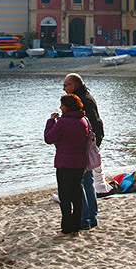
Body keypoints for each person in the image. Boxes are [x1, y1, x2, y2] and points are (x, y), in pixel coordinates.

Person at [44, 93, 91, 236]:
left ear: (68, 107)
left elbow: (48, 138)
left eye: (62, 105)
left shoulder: (63, 122)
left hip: (64, 163)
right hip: (80, 163)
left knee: (65, 197)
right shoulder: (83, 120)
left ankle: (66, 228)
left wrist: (50, 122)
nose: (60, 107)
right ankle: (76, 228)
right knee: (77, 195)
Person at [63, 73, 104, 230]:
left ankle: (86, 218)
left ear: (73, 86)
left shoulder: (83, 100)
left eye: (65, 86)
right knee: (87, 182)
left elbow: (92, 124)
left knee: (82, 182)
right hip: (88, 146)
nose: (64, 89)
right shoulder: (85, 97)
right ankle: (90, 217)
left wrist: (90, 146)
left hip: (84, 147)